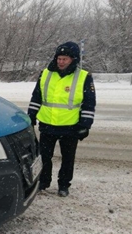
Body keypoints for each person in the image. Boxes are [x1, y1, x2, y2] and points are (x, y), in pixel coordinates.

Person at [28, 41, 96, 197]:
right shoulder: (45, 73)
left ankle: (64, 185)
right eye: (59, 58)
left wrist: (85, 124)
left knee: (68, 159)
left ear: (73, 59)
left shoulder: (84, 77)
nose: (61, 61)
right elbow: (36, 97)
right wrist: (31, 114)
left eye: (64, 59)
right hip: (47, 124)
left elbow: (89, 103)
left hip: (70, 126)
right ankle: (43, 183)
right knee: (44, 157)